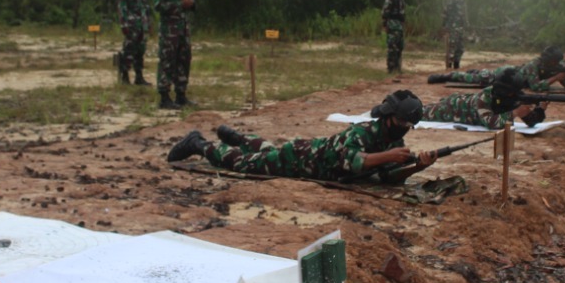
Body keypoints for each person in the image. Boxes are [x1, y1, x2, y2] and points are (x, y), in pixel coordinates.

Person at [167, 89, 438, 184]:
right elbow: (353, 162)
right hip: (299, 160)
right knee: (243, 163)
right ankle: (199, 144)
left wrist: (416, 167)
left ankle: (238, 137)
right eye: (401, 121)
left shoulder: (393, 142)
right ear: (389, 116)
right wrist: (388, 157)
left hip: (306, 152)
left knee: (266, 151)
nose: (404, 127)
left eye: (408, 124)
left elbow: (389, 177)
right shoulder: (361, 132)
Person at [422, 68, 545, 129]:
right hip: (453, 108)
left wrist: (540, 109)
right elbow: (490, 122)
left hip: (458, 104)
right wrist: (515, 113)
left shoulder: (512, 97)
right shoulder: (484, 97)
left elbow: (531, 123)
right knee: (420, 113)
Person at [427, 46, 565, 91]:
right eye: (555, 63)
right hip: (504, 76)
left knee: (479, 74)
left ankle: (475, 72)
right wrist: (556, 78)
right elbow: (535, 86)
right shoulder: (534, 66)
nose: (557, 66)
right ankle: (445, 76)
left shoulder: (554, 68)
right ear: (550, 61)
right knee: (476, 79)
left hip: (512, 76)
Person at [152, 0, 196, 109]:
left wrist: (190, 2)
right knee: (167, 61)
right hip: (169, 30)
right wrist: (179, 4)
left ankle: (181, 95)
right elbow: (158, 5)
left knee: (184, 60)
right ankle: (164, 97)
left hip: (183, 28)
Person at [116, 0, 151, 85]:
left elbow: (145, 6)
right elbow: (121, 7)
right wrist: (123, 24)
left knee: (140, 50)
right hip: (130, 24)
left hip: (142, 24)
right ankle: (124, 76)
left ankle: (139, 77)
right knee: (129, 50)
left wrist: (148, 23)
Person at [381, 0, 407, 74]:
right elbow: (385, 11)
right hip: (392, 24)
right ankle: (391, 68)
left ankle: (397, 67)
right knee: (392, 47)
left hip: (399, 24)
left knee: (399, 46)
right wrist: (385, 24)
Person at [442, 0, 467, 70]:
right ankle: (449, 66)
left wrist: (466, 24)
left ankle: (457, 64)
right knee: (452, 46)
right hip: (452, 26)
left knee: (460, 47)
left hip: (460, 26)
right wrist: (445, 25)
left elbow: (463, 13)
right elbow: (445, 12)